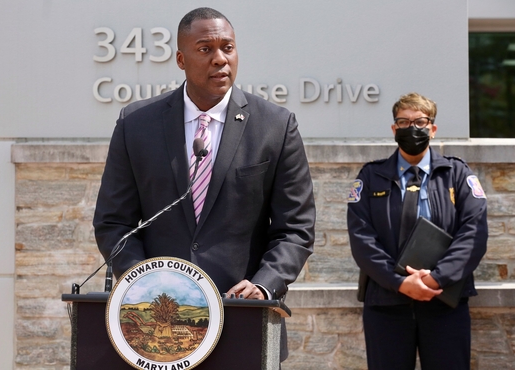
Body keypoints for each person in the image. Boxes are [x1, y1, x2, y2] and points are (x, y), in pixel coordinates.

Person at [93, 7, 315, 360]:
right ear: (181, 59)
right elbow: (113, 223)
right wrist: (145, 283)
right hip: (159, 330)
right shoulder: (137, 124)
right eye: (205, 49)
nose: (219, 59)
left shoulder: (275, 125)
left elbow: (296, 227)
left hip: (243, 318)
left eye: (227, 48)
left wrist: (264, 283)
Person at [347, 92, 487, 370]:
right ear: (394, 128)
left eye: (420, 122)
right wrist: (399, 283)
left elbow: (473, 234)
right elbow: (362, 239)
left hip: (444, 302)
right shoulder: (370, 177)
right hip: (387, 304)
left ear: (432, 129)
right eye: (404, 121)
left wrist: (436, 279)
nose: (412, 128)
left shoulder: (457, 175)